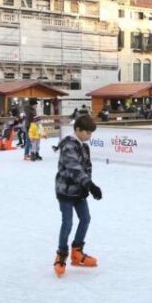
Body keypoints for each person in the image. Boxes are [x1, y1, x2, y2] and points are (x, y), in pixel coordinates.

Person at [53, 114, 103, 277]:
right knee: (67, 223)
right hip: (66, 191)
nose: (90, 136)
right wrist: (89, 184)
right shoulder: (69, 146)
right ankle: (61, 254)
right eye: (87, 132)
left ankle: (77, 252)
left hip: (79, 191)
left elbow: (86, 168)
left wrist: (87, 186)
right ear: (78, 130)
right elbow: (74, 168)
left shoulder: (84, 146)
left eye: (91, 133)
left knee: (85, 218)